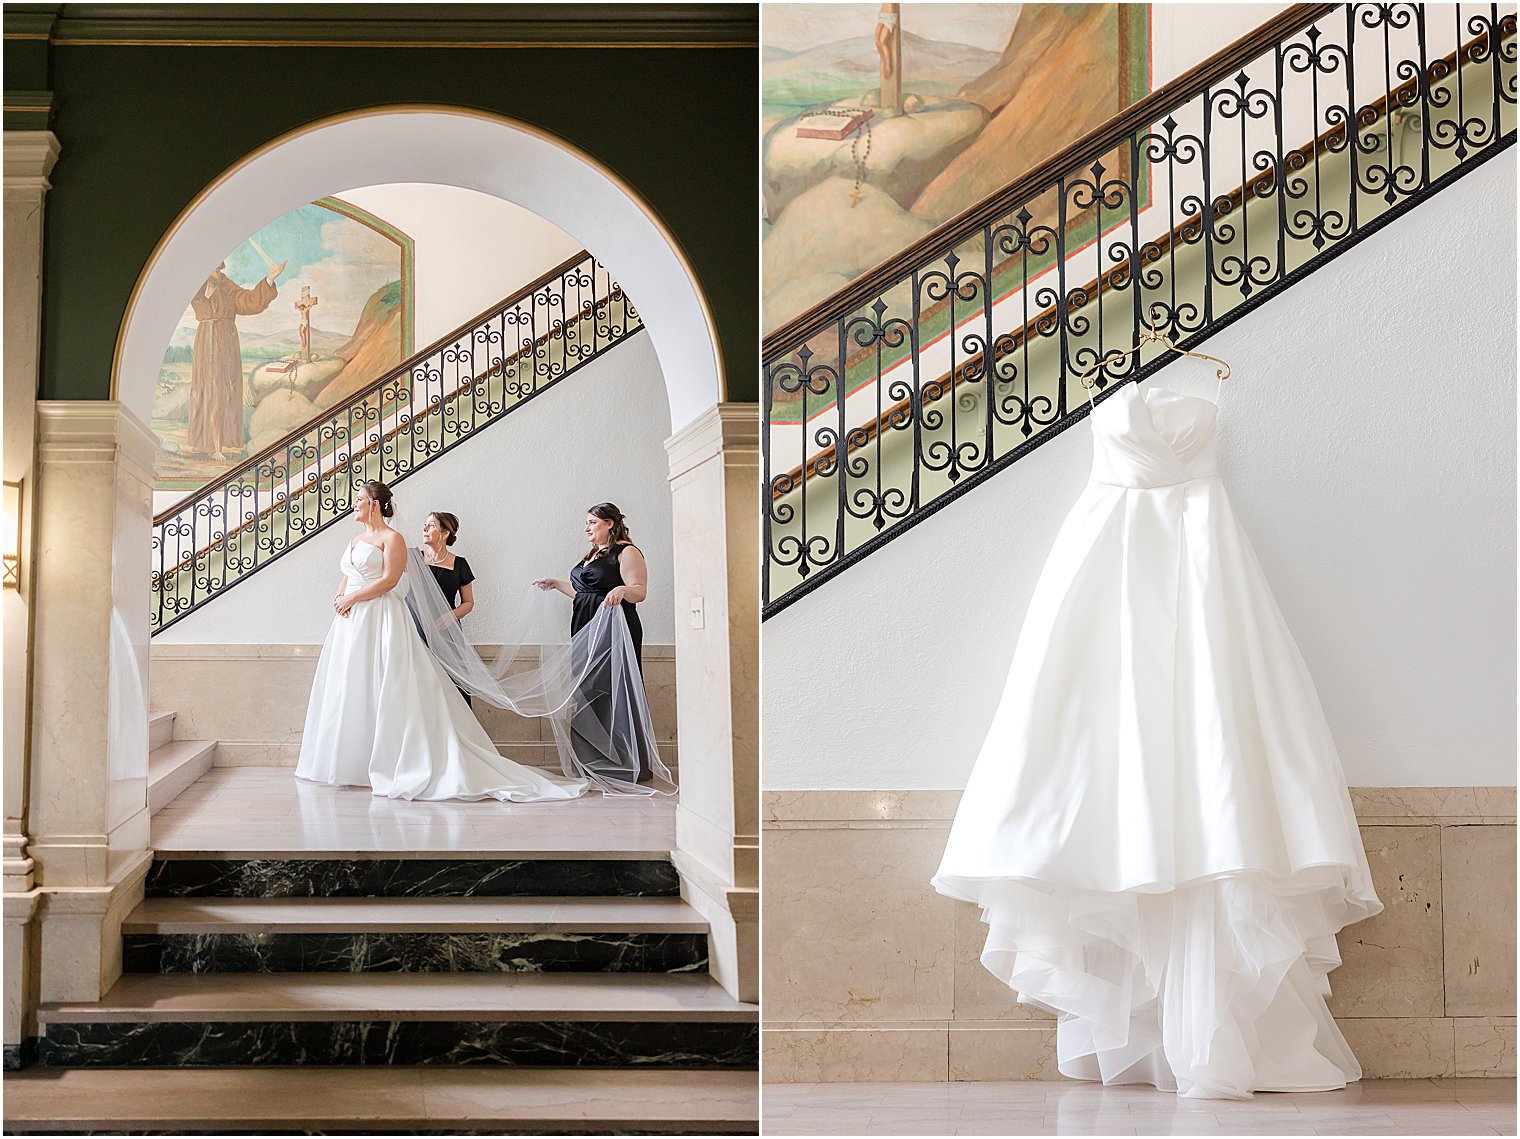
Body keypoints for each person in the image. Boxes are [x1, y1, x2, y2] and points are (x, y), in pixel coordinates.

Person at [294, 479, 587, 803]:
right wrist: (339, 598)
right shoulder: (356, 539)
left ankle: (395, 759)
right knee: (351, 683)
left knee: (387, 681)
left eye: (359, 499)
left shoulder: (393, 539)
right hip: (351, 622)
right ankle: (352, 760)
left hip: (380, 616)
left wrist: (352, 599)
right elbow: (347, 575)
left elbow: (390, 580)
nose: (354, 505)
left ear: (375, 505)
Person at [533, 503, 654, 782]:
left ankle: (626, 763)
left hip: (615, 629)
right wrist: (555, 583)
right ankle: (591, 762)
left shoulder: (627, 552)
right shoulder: (593, 554)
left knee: (613, 689)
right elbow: (581, 594)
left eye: (592, 522)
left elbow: (640, 591)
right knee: (586, 691)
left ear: (609, 523)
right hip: (585, 627)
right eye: (586, 523)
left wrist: (623, 590)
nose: (587, 528)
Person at [189, 258, 284, 460]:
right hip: (206, 338)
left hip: (225, 340)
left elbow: (249, 301)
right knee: (205, 389)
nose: (214, 273)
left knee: (223, 388)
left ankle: (218, 445)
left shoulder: (226, 284)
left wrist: (269, 279)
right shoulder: (196, 283)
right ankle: (203, 443)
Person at [418, 511, 475, 706]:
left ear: (444, 534)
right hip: (418, 629)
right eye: (425, 525)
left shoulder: (460, 564)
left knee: (453, 682)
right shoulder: (414, 558)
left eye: (431, 525)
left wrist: (451, 616)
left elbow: (468, 602)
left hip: (447, 631)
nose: (424, 529)